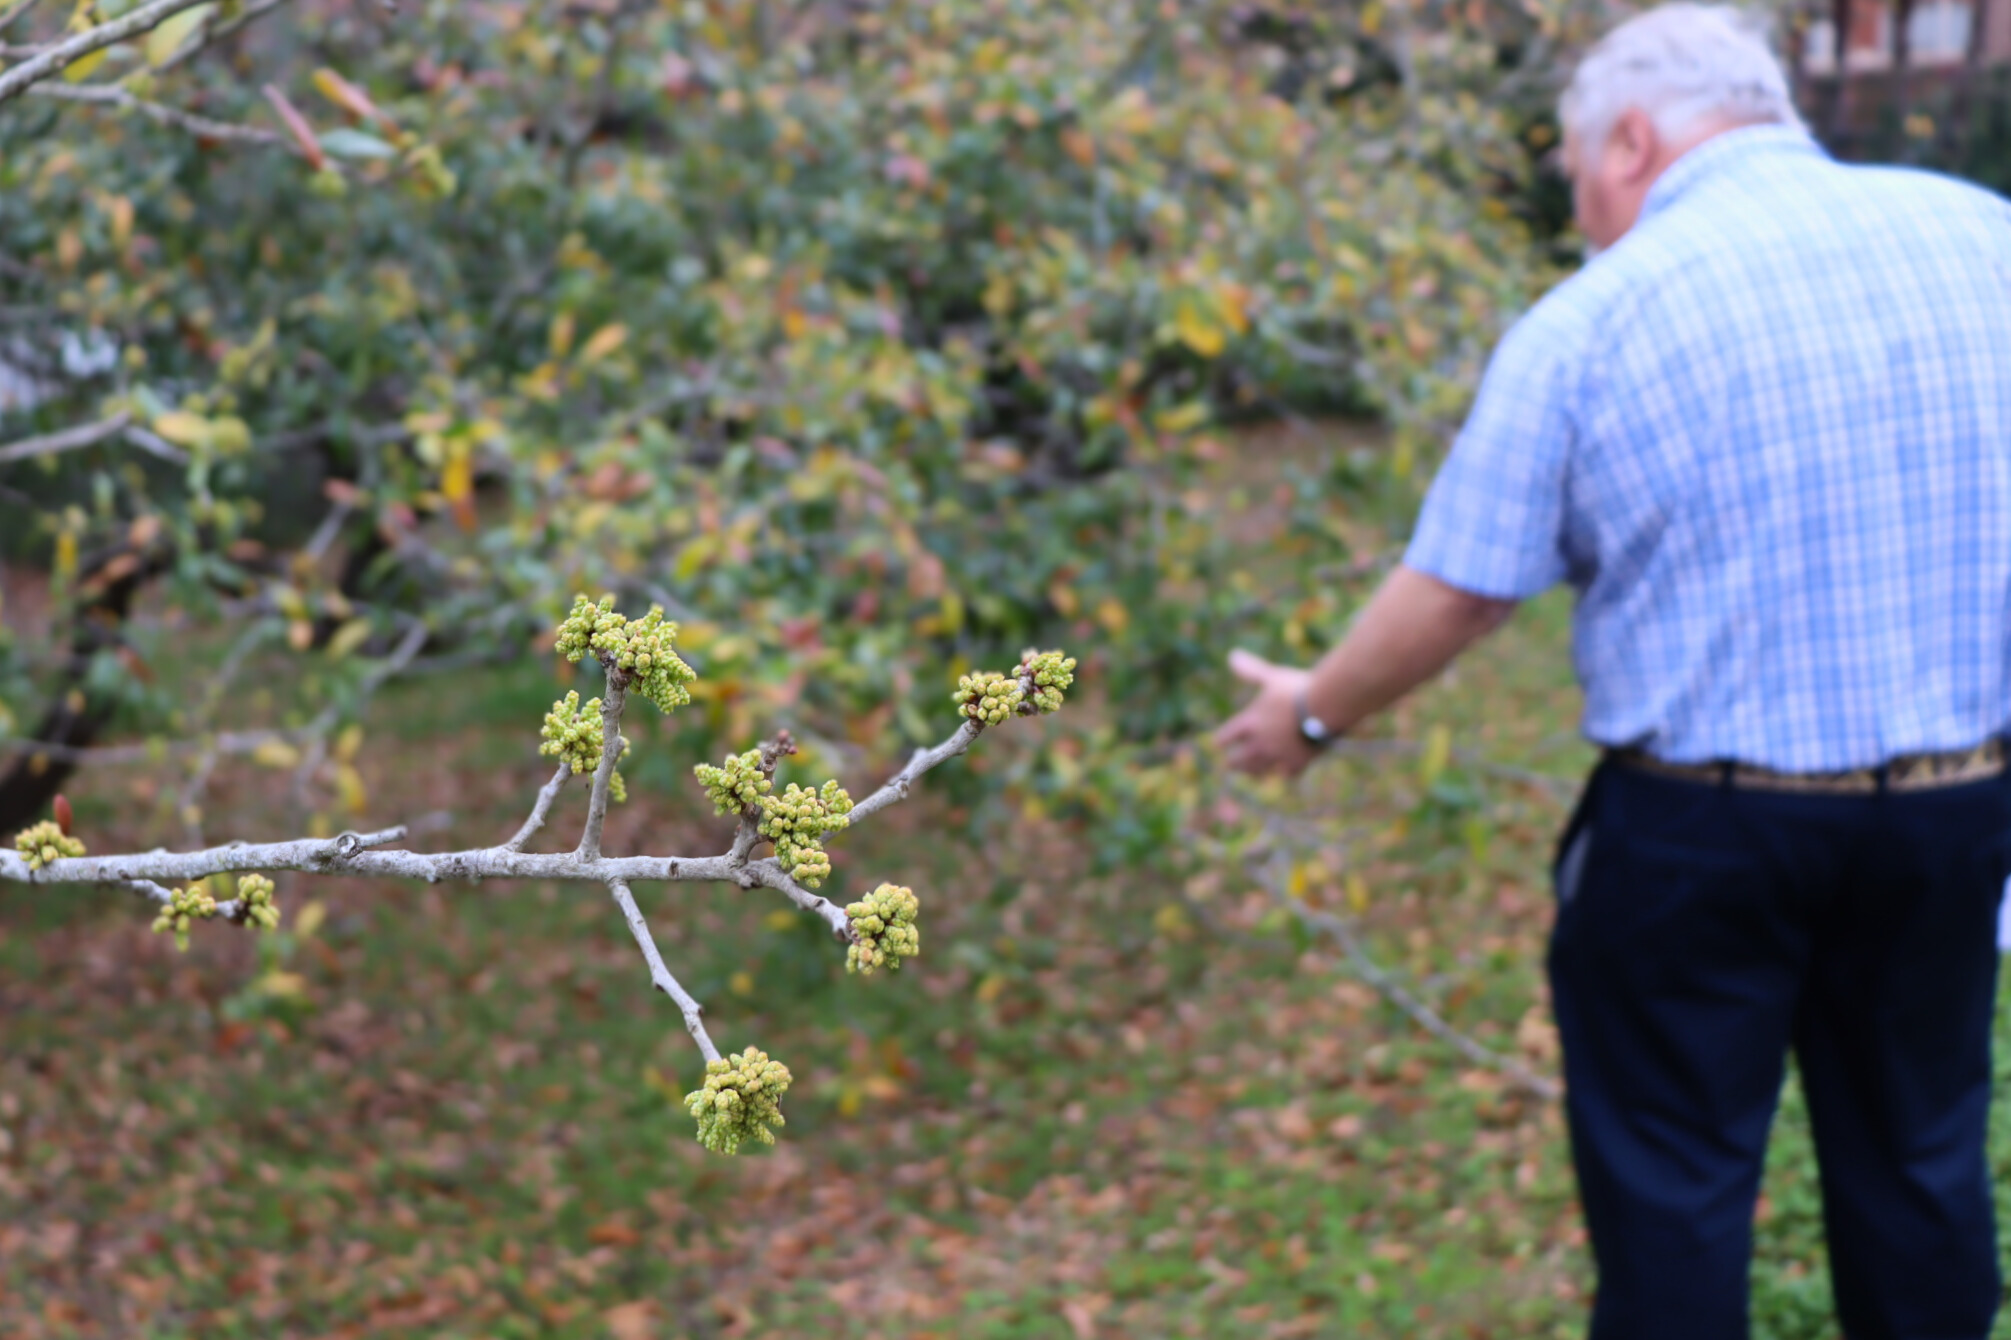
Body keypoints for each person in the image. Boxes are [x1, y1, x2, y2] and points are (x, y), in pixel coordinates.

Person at [1213, 6, 2011, 1337]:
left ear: (1632, 141)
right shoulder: (1989, 242)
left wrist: (1309, 711)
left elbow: (1463, 587)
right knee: (1922, 1168)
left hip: (1702, 834)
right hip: (1955, 808)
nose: (1583, 211)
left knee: (1674, 1198)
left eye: (1580, 176)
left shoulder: (1598, 316)